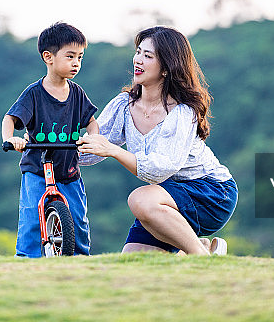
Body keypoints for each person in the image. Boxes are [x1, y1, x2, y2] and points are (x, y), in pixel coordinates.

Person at [77, 26, 237, 255]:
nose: (138, 60)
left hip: (211, 193)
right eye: (138, 52)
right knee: (133, 264)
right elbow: (92, 149)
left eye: (148, 56)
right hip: (165, 198)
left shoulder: (182, 112)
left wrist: (113, 151)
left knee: (139, 199)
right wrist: (46, 144)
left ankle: (202, 259)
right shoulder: (124, 105)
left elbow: (160, 170)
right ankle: (199, 246)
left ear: (166, 68)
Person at [2, 22, 99, 257]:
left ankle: (80, 259)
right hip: (37, 168)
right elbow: (10, 119)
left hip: (69, 170)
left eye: (80, 57)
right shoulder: (34, 94)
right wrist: (11, 139)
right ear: (49, 57)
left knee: (77, 218)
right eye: (70, 56)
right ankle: (26, 258)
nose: (76, 62)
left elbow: (91, 121)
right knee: (32, 217)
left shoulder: (77, 93)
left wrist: (92, 138)